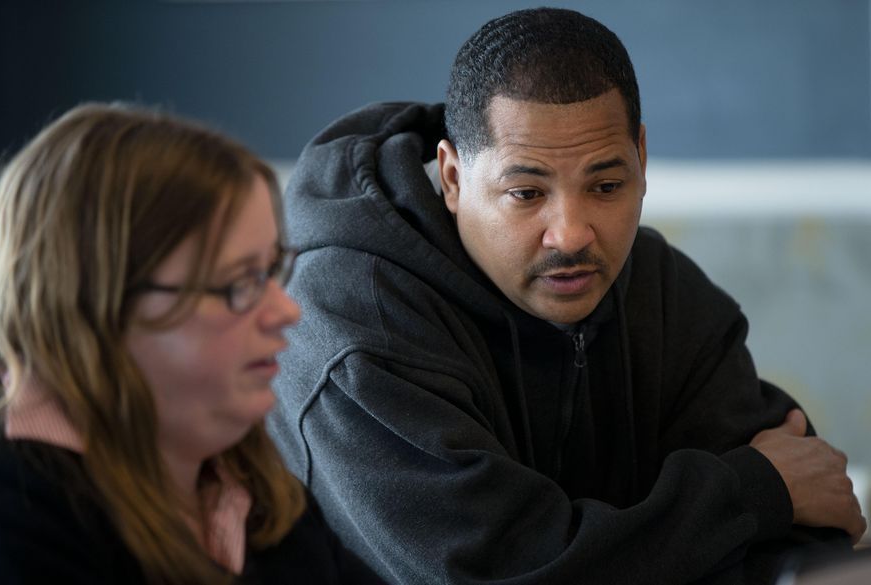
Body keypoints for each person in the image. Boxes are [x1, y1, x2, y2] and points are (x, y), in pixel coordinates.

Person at [269, 7, 868, 585]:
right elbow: (497, 571)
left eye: (606, 185)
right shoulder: (355, 327)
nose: (572, 235)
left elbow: (810, 531)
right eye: (527, 193)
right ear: (453, 179)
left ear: (641, 157)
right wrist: (751, 494)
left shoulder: (658, 286)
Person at [0, 104, 386, 584]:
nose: (287, 311)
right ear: (98, 305)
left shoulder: (250, 487)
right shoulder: (19, 515)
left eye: (271, 270)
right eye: (239, 284)